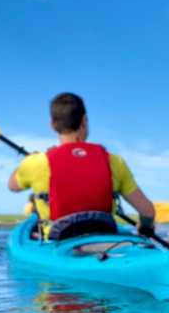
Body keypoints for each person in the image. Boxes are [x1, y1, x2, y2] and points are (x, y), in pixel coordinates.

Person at [8, 92, 157, 240]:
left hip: (58, 243)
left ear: (52, 125)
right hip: (105, 241)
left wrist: (28, 161)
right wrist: (145, 228)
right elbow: (148, 211)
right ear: (84, 120)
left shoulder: (36, 162)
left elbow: (12, 186)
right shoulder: (115, 161)